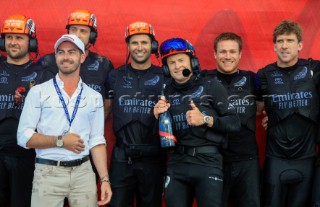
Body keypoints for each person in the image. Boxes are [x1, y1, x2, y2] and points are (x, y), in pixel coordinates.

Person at [17, 34, 112, 206]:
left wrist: (104, 179)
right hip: (47, 171)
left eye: (72, 52)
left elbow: (97, 140)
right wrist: (60, 141)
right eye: (61, 52)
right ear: (56, 57)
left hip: (83, 172)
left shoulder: (95, 97)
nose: (66, 57)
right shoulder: (38, 92)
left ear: (82, 57)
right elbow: (24, 137)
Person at [154, 37, 241, 207]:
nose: (177, 66)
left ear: (192, 62)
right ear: (166, 69)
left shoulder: (211, 85)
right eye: (172, 63)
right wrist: (156, 117)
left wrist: (205, 119)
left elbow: (234, 123)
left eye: (181, 60)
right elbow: (159, 137)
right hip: (177, 162)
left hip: (208, 161)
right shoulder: (165, 91)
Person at [257, 20, 320, 207]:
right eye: (280, 41)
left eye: (290, 40)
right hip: (276, 160)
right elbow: (254, 108)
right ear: (274, 45)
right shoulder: (263, 75)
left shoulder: (314, 69)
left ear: (300, 45)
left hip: (306, 159)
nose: (285, 46)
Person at [105, 21, 166, 207]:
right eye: (134, 42)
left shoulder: (165, 75)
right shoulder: (115, 76)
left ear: (153, 46)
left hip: (153, 157)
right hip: (122, 157)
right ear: (128, 46)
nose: (139, 47)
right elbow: (104, 112)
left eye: (144, 42)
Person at [0, 14, 53, 207]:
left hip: (27, 157)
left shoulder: (44, 75)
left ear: (31, 42)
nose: (13, 42)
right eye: (9, 37)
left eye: (19, 37)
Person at [204, 32, 261, 207]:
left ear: (240, 54)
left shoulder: (253, 79)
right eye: (222, 52)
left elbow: (262, 107)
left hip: (247, 160)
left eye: (232, 51)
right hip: (213, 160)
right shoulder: (202, 79)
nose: (227, 56)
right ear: (214, 54)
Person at [37, 9, 114, 119]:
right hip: (53, 132)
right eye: (73, 30)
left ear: (92, 36)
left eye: (83, 31)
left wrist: (94, 126)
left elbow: (109, 101)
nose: (77, 35)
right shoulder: (47, 61)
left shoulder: (104, 64)